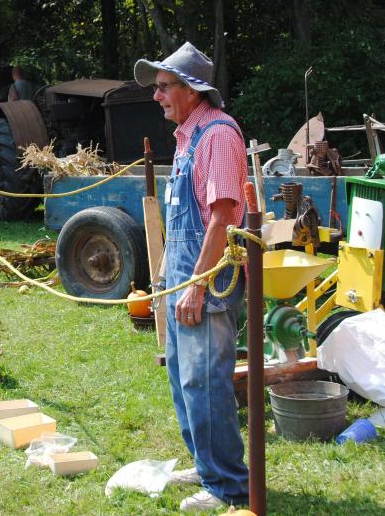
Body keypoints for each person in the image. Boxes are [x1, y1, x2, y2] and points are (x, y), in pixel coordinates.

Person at [134, 42, 249, 512]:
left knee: (205, 382)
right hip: (182, 279)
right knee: (184, 380)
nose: (157, 96)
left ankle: (227, 487)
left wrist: (197, 285)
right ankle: (206, 466)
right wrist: (166, 280)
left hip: (206, 281)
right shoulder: (187, 136)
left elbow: (222, 218)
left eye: (163, 87)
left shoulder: (217, 135)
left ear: (191, 89)